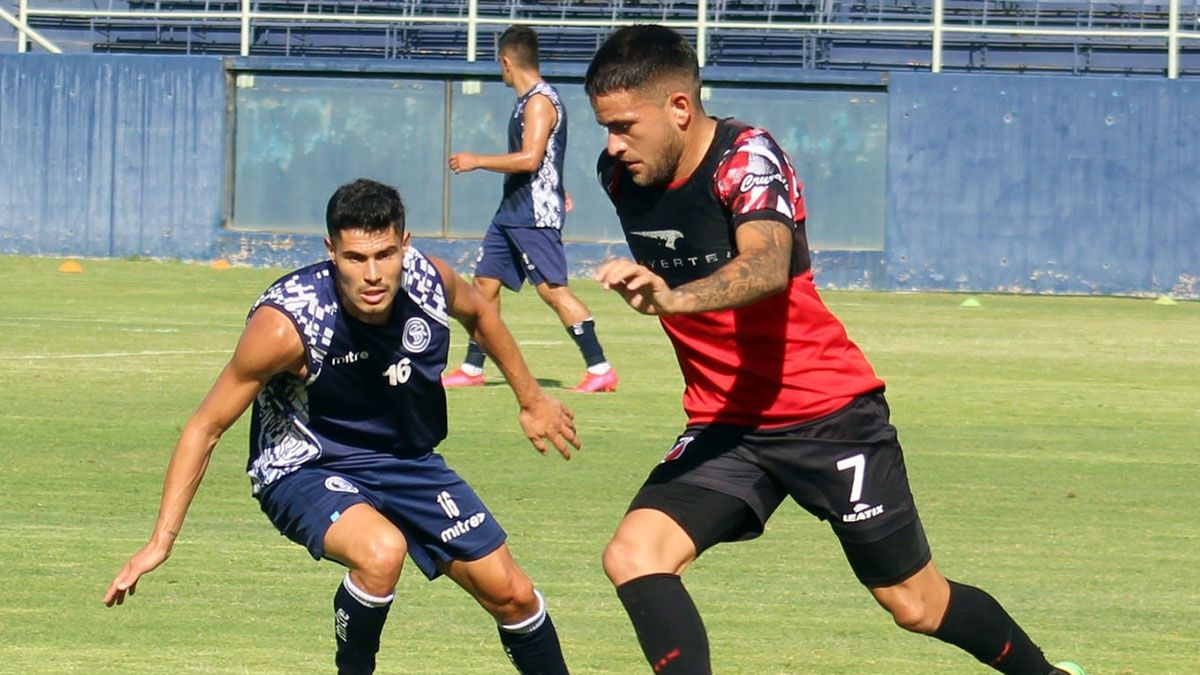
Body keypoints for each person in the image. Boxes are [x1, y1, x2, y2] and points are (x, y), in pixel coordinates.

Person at [584, 25, 1085, 675]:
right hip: (727, 423)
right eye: (605, 127)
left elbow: (766, 264)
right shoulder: (620, 176)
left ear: (680, 106)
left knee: (915, 602)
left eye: (625, 125)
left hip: (827, 412)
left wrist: (672, 298)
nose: (612, 145)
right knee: (634, 554)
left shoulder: (748, 158)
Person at [103, 178, 577, 675]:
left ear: (405, 245)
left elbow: (480, 314)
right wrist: (162, 540)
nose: (373, 274)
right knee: (381, 551)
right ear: (331, 251)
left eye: (385, 255)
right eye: (355, 258)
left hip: (405, 460)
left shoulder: (428, 280)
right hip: (304, 465)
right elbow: (205, 427)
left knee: (515, 596)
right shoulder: (288, 325)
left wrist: (532, 399)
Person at [443, 25, 617, 394]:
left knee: (553, 291)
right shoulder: (528, 101)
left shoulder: (539, 102)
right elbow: (545, 160)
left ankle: (600, 367)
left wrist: (476, 160)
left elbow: (529, 158)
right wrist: (558, 185)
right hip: (512, 211)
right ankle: (473, 368)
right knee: (484, 287)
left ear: (507, 62)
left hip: (532, 215)